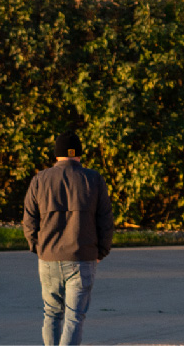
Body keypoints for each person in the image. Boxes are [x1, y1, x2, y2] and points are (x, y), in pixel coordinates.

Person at [23, 130, 114, 346]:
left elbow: (29, 220)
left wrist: (38, 247)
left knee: (51, 314)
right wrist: (101, 251)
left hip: (49, 257)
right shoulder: (94, 179)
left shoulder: (40, 180)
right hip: (82, 257)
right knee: (74, 317)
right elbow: (106, 220)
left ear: (57, 154)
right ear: (79, 154)